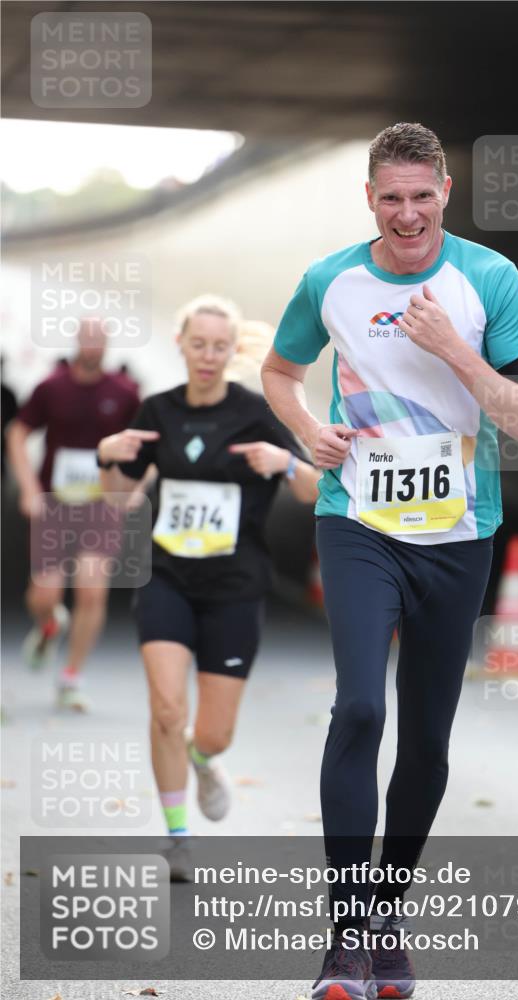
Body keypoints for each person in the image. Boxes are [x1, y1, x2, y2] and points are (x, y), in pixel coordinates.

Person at [261, 122, 518, 1000]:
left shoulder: (488, 280)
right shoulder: (331, 280)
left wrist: (453, 350)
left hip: (458, 532)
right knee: (359, 708)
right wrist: (310, 429)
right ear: (368, 199)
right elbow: (280, 371)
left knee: (425, 742)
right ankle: (344, 937)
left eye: (421, 195)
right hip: (358, 520)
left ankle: (387, 921)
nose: (406, 213)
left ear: (443, 196)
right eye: (389, 197)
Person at [96, 295, 320, 877]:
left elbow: (318, 491)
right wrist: (107, 458)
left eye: (220, 346)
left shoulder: (258, 413)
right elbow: (117, 502)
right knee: (167, 709)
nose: (208, 356)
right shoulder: (158, 411)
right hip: (168, 578)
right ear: (181, 344)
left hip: (235, 586)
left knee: (214, 734)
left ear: (232, 350)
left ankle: (203, 759)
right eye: (198, 344)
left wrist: (286, 463)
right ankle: (177, 838)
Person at [6, 319, 140, 710]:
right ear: (78, 341)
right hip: (56, 502)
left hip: (101, 504)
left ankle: (71, 676)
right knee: (44, 593)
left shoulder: (124, 391)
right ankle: (49, 623)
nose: (94, 346)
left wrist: (133, 487)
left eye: (101, 339)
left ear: (108, 344)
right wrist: (29, 488)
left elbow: (147, 440)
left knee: (91, 591)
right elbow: (17, 433)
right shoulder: (52, 387)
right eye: (88, 338)